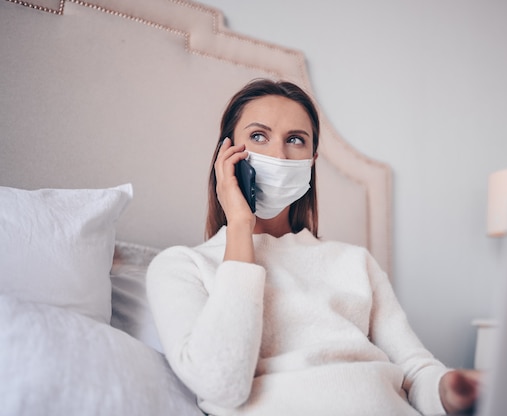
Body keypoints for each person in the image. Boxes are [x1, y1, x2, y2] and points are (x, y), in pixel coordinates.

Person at [146, 79, 480, 416]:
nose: (278, 154)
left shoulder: (355, 262)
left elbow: (416, 370)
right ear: (226, 154)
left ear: (311, 159)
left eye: (295, 140)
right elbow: (221, 385)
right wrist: (240, 227)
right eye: (259, 136)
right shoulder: (180, 266)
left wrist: (451, 389)